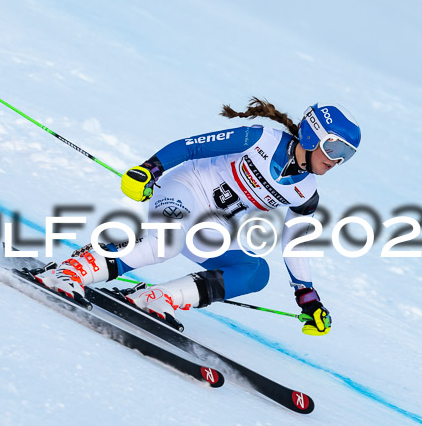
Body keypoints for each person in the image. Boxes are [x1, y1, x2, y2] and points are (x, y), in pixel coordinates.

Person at [42, 98, 361, 336]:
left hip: (210, 226)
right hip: (183, 189)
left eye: (346, 156)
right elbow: (190, 146)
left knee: (254, 271)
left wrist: (307, 296)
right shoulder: (260, 139)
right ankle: (71, 272)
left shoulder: (306, 192)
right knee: (164, 244)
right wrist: (150, 169)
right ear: (312, 136)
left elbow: (294, 244)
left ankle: (154, 298)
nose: (337, 161)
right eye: (334, 149)